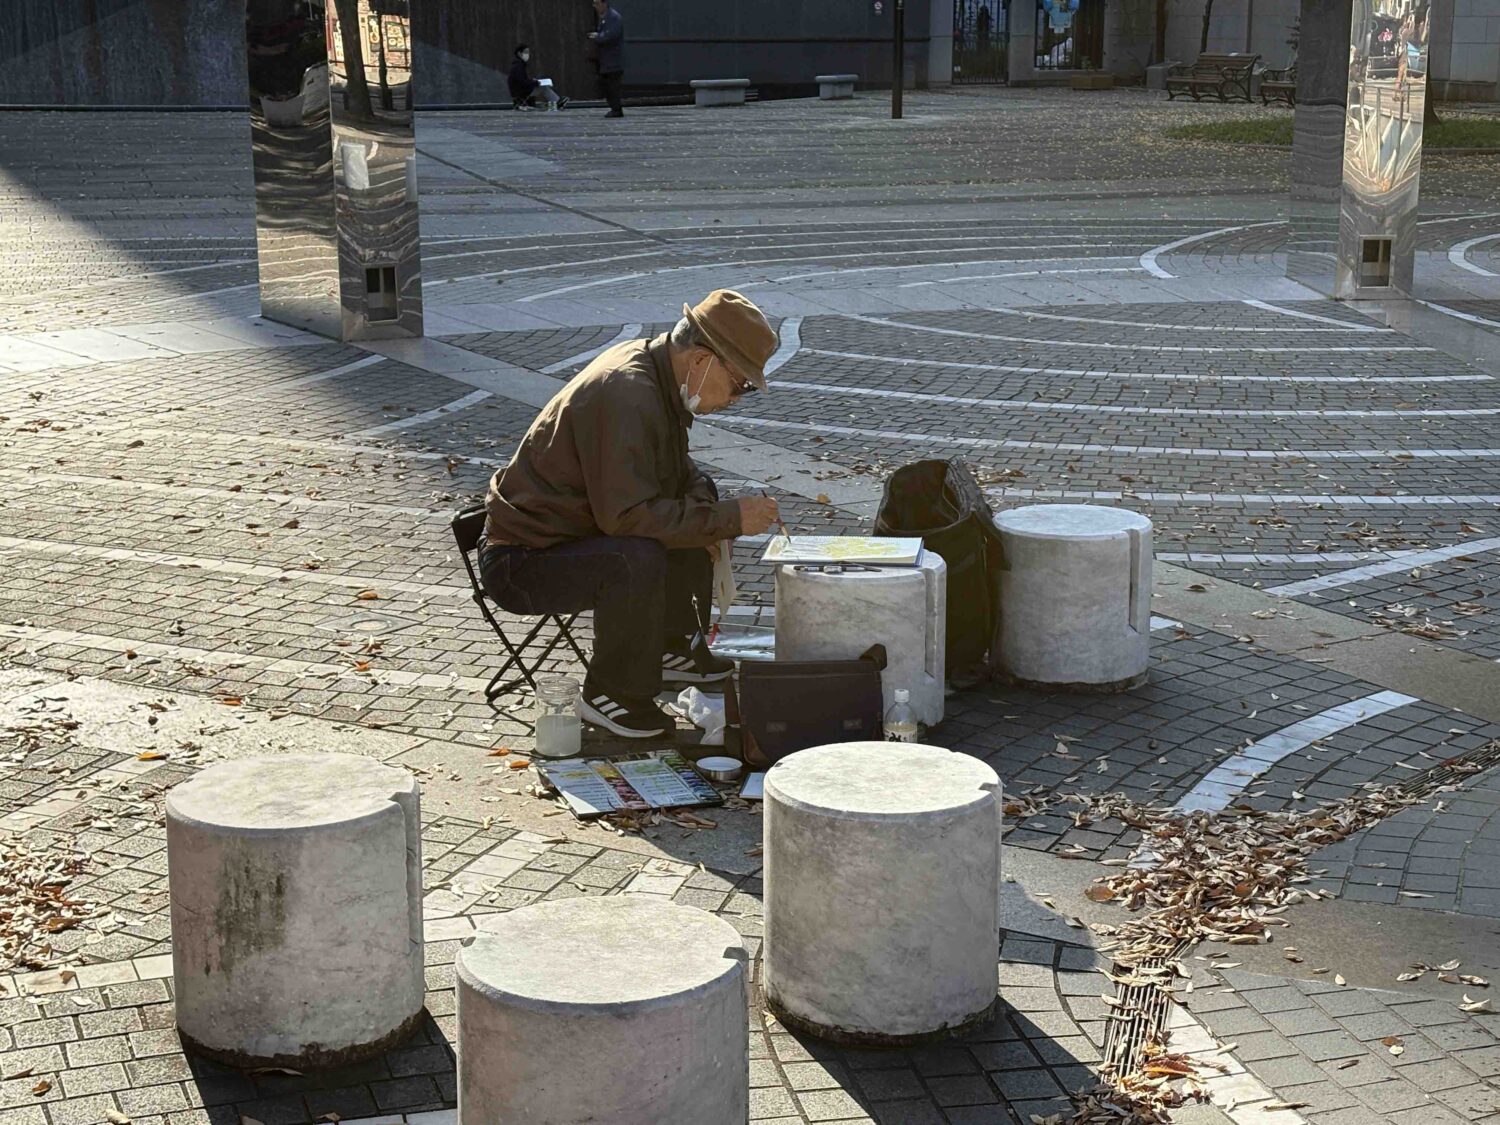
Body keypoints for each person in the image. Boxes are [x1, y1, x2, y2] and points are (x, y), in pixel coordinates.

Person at [480, 290, 781, 738]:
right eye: (740, 384)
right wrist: (729, 520)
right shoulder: (628, 393)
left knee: (698, 504)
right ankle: (610, 695)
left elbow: (678, 473)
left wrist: (712, 512)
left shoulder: (658, 375)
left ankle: (668, 647)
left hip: (570, 535)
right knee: (635, 557)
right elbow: (626, 518)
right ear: (702, 361)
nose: (737, 398)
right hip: (523, 560)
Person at [588, 0, 625, 118]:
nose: (595, 6)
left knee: (613, 86)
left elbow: (610, 35)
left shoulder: (614, 17)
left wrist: (597, 36)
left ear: (604, 3)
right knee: (607, 86)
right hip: (606, 60)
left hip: (613, 60)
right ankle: (614, 108)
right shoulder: (605, 17)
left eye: (597, 3)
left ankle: (616, 109)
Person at [508, 44, 569, 110]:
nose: (528, 54)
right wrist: (535, 82)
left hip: (520, 92)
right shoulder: (518, 66)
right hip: (521, 93)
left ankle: (556, 101)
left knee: (542, 87)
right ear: (519, 53)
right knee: (543, 87)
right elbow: (522, 82)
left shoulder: (517, 65)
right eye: (526, 52)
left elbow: (521, 81)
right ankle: (557, 102)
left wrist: (532, 81)